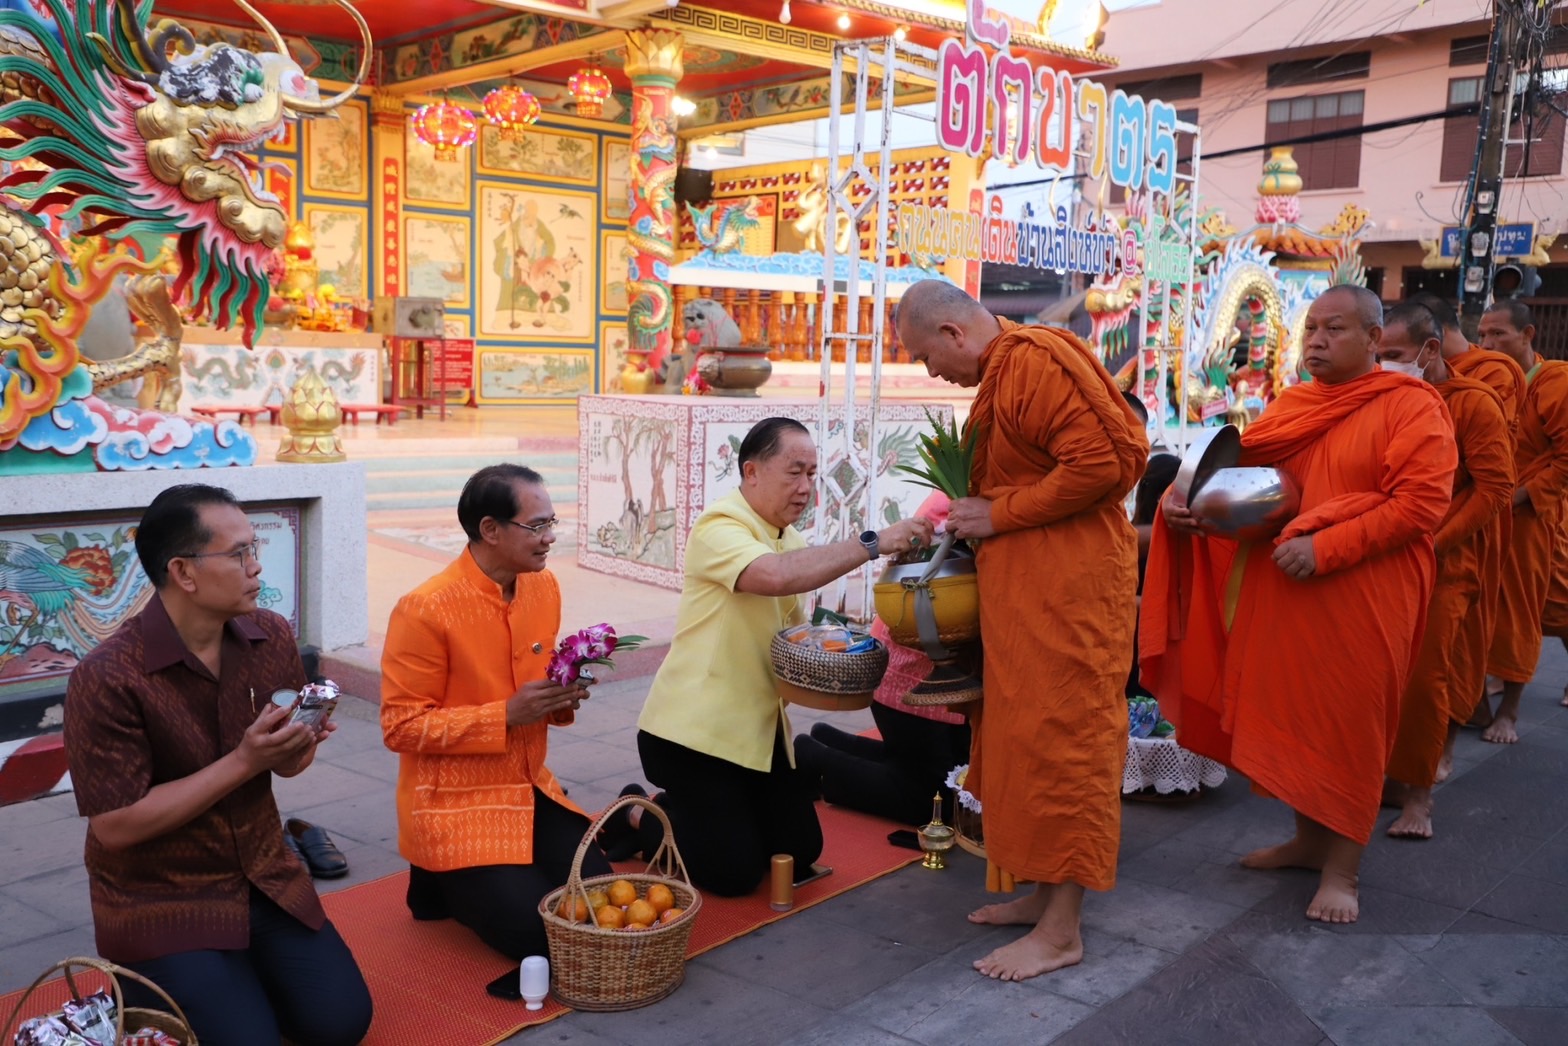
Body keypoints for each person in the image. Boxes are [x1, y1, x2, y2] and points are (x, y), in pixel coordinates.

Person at [1142, 285, 1456, 924]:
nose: (1315, 339)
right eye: (1310, 328)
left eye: (1333, 329)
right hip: (1285, 589)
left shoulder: (1412, 407)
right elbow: (1258, 492)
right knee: (1292, 717)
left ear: (1373, 340)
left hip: (1363, 595)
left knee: (1348, 726)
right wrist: (1202, 516)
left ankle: (1343, 873)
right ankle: (1310, 842)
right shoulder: (1295, 404)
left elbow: (1420, 504)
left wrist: (1327, 547)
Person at [895, 280, 1148, 981]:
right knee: (1026, 744)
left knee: (1065, 749)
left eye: (923, 356)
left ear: (951, 334)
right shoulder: (1006, 372)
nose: (930, 372)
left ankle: (1063, 930)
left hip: (1071, 598)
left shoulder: (1033, 359)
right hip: (1030, 600)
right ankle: (1042, 898)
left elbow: (1106, 464)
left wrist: (999, 515)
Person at [62, 484, 372, 1046]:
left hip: (264, 874)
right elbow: (115, 824)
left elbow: (284, 771)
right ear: (183, 572)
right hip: (161, 896)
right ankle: (146, 989)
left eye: (255, 549)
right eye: (239, 554)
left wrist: (295, 747)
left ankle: (229, 983)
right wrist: (245, 760)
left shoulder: (269, 634)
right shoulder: (107, 677)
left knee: (340, 1022)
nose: (257, 567)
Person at [622, 418, 934, 896]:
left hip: (759, 732)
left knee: (798, 848)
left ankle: (718, 811)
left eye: (812, 474)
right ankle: (640, 811)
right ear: (751, 471)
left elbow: (792, 628)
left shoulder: (790, 538)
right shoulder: (718, 527)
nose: (806, 487)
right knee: (734, 875)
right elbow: (772, 576)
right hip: (693, 736)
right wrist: (872, 544)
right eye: (794, 473)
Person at [380, 464, 605, 960]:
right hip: (456, 801)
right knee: (538, 938)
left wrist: (559, 698)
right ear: (490, 529)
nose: (550, 539)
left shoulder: (542, 587)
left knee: (599, 901)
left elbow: (532, 698)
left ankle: (460, 883)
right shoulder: (426, 609)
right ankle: (438, 879)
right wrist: (505, 714)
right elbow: (399, 726)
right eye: (537, 526)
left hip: (527, 783)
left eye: (552, 524)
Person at [1376, 304, 1513, 839]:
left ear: (1429, 350)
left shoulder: (1473, 403)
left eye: (1393, 356)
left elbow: (1495, 488)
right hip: (1378, 556)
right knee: (1378, 676)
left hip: (1443, 561)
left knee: (1425, 678)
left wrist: (1434, 543)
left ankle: (1419, 797)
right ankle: (1384, 773)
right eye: (1377, 354)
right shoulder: (1378, 397)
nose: (1383, 366)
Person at [792, 491, 972, 827]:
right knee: (930, 803)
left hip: (946, 677)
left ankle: (828, 741)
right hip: (914, 676)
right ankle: (813, 756)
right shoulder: (958, 500)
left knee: (954, 780)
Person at [1407, 295, 1526, 762]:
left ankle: (1493, 717)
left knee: (1449, 652)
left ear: (1431, 342)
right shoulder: (1395, 389)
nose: (1489, 340)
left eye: (1499, 333)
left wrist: (1437, 540)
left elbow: (1494, 478)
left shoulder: (1485, 382)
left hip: (1471, 530)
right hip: (1399, 537)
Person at [1478, 300, 1568, 743]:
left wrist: (1520, 496)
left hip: (1530, 513)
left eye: (1498, 334)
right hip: (1488, 510)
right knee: (1480, 604)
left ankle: (1509, 713)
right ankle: (1481, 688)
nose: (1488, 343)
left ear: (1528, 335)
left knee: (1523, 608)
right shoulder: (1491, 381)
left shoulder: (1554, 382)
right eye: (1482, 335)